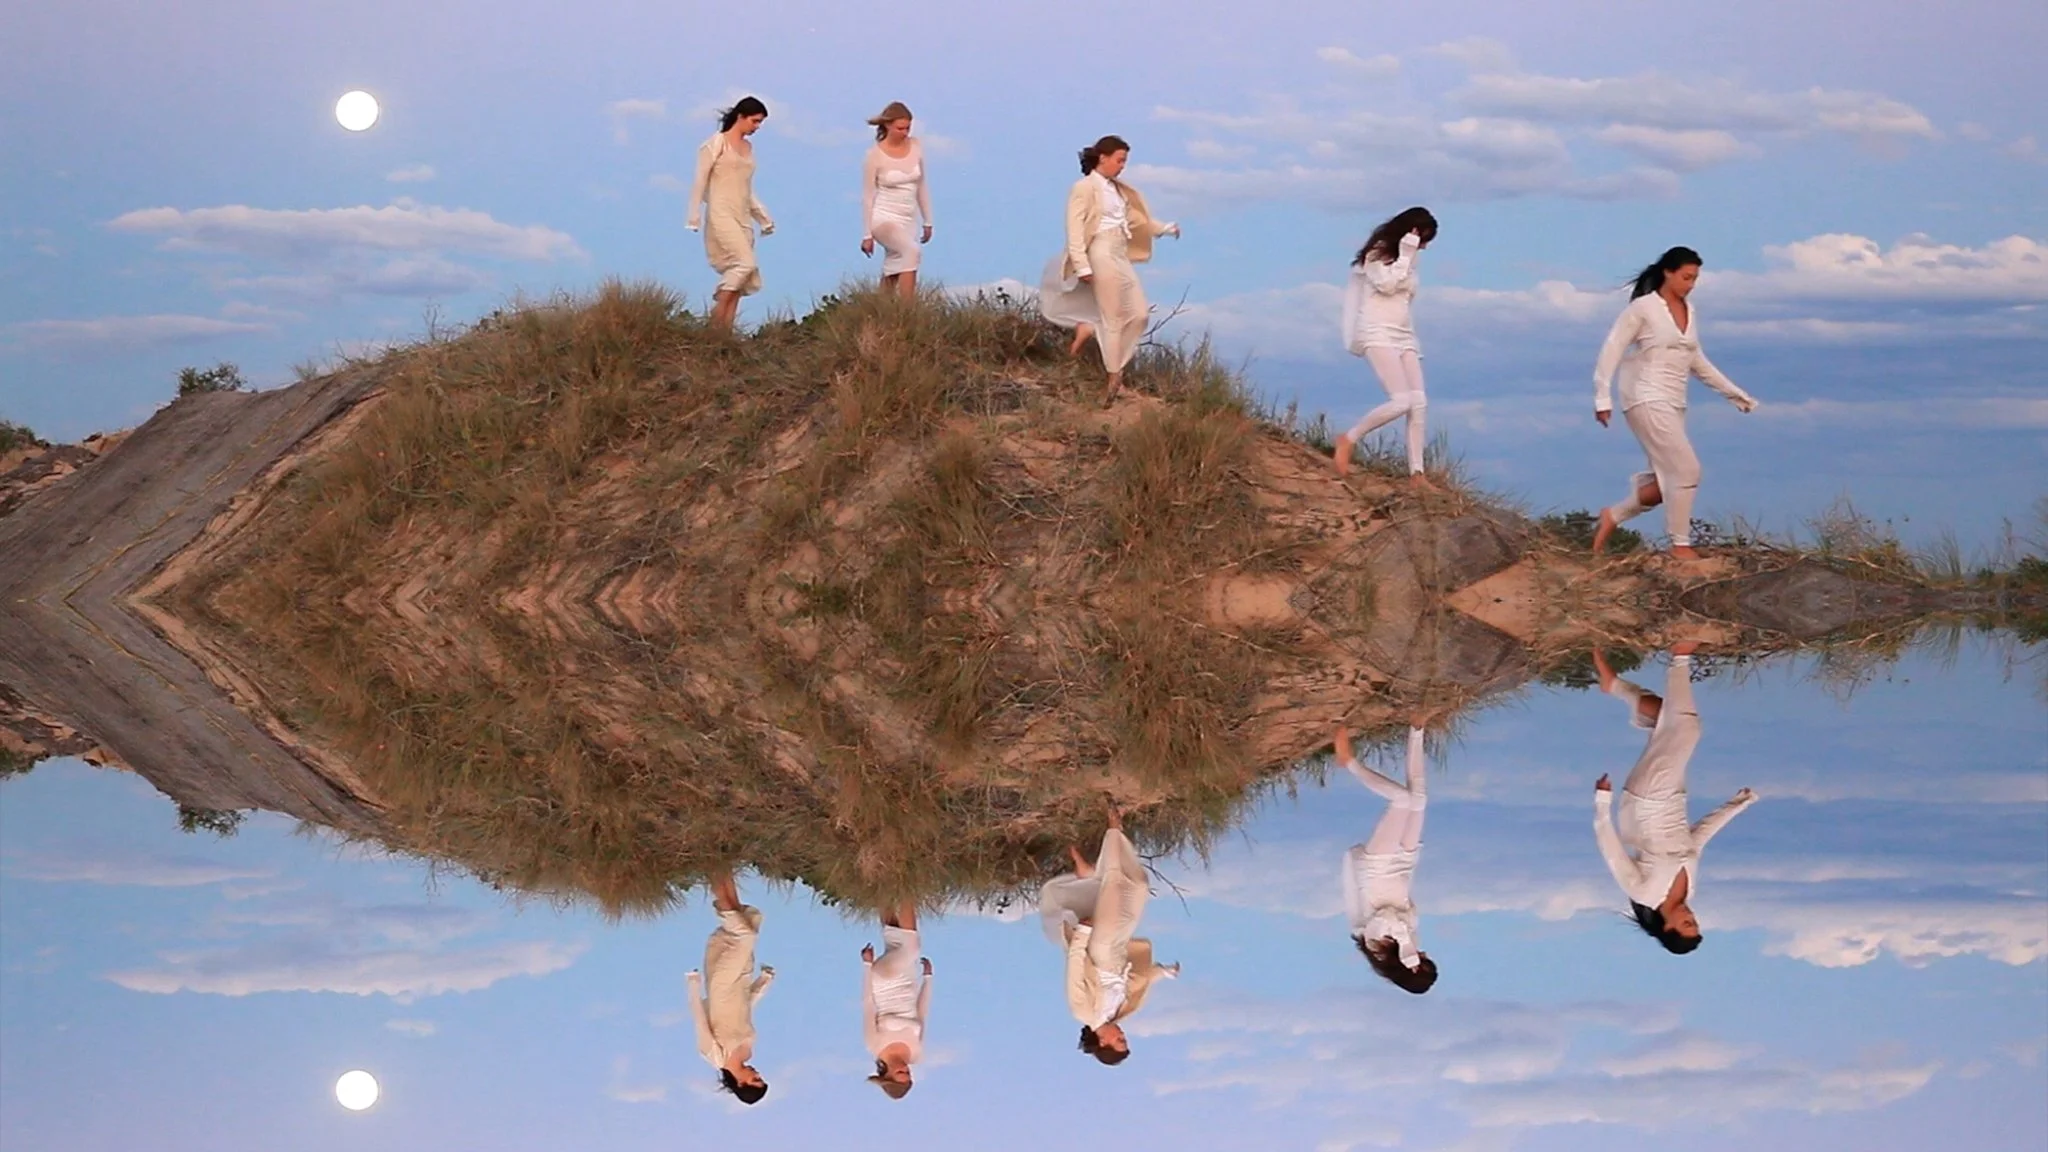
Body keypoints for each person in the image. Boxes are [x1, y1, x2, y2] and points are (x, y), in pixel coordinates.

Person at [1589, 246, 1759, 558]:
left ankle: (1612, 515)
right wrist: (1602, 398)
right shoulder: (1643, 308)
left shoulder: (1689, 311)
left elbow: (1696, 360)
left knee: (1661, 486)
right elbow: (1612, 349)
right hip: (1644, 396)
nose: (1690, 284)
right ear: (1668, 272)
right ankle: (1680, 546)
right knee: (1687, 470)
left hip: (1674, 402)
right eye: (1686, 277)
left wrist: (1736, 394)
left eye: (1695, 279)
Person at [1591, 643, 1759, 954]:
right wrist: (1739, 804)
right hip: (1673, 796)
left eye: (1686, 923)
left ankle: (1680, 654)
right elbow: (1698, 838)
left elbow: (1612, 852)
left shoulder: (1644, 893)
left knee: (1686, 729)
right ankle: (1614, 686)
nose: (1691, 917)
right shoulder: (1689, 890)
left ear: (1667, 927)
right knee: (1665, 720)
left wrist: (1602, 804)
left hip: (1647, 801)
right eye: (1695, 922)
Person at [1037, 135, 1182, 402]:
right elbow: (1074, 229)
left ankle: (1093, 335)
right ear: (1102, 158)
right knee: (1113, 317)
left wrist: (1165, 229)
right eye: (1119, 160)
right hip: (1100, 252)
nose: (1122, 166)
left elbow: (1138, 222)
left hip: (1120, 254)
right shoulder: (1084, 188)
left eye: (1124, 161)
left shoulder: (1118, 190)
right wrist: (1082, 266)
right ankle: (1115, 378)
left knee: (1139, 314)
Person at [1037, 809, 1181, 1065]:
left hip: (1101, 947)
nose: (1123, 1035)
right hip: (1119, 949)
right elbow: (1137, 981)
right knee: (1137, 887)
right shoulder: (1120, 1012)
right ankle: (1091, 872)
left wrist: (1082, 933)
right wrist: (1164, 972)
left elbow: (1075, 969)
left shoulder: (1083, 1011)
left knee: (1119, 886)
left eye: (1120, 1040)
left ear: (1103, 1042)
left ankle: (1114, 826)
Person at [1334, 208, 1439, 488]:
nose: (1424, 246)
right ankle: (1348, 439)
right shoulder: (1376, 254)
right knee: (1400, 401)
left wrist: (1409, 256)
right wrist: (1405, 255)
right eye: (1423, 239)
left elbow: (1405, 297)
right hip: (1376, 331)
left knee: (1419, 402)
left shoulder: (1412, 258)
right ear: (1410, 232)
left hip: (1404, 334)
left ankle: (1417, 474)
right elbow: (1387, 285)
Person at [1335, 723, 1437, 993]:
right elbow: (1404, 906)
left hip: (1377, 871)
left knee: (1401, 800)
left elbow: (1387, 915)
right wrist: (1408, 944)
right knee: (1418, 799)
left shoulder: (1375, 945)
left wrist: (1406, 948)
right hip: (1404, 867)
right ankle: (1417, 728)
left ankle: (1349, 762)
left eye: (1423, 959)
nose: (1423, 952)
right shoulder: (1410, 941)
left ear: (1412, 968)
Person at [686, 96, 775, 332]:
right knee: (745, 264)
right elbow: (700, 181)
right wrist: (693, 215)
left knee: (741, 277)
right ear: (740, 117)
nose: (757, 127)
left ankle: (724, 334)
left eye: (760, 123)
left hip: (743, 216)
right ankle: (714, 323)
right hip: (721, 213)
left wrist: (762, 217)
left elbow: (746, 188)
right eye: (754, 121)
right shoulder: (715, 144)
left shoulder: (748, 148)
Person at [687, 870, 775, 1103]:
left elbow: (699, 1020)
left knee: (745, 934)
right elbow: (746, 1008)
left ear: (741, 1083)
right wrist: (763, 982)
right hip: (742, 981)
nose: (758, 1074)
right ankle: (722, 866)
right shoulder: (748, 1051)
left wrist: (693, 984)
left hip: (722, 985)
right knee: (746, 920)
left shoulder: (716, 1057)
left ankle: (711, 866)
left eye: (756, 1079)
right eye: (761, 1078)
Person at [860, 102, 934, 300]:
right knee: (911, 252)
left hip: (908, 219)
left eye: (908, 128)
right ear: (887, 125)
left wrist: (928, 221)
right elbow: (868, 196)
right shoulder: (874, 155)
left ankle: (881, 310)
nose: (905, 133)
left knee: (894, 266)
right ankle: (908, 310)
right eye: (900, 128)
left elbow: (921, 185)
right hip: (883, 218)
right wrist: (867, 235)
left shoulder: (916, 146)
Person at [861, 901, 934, 1100]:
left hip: (884, 980)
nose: (905, 1068)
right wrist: (928, 979)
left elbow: (868, 1004)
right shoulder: (916, 1054)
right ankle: (882, 887)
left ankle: (906, 888)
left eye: (900, 1073)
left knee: (912, 947)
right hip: (909, 977)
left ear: (887, 1075)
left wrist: (867, 966)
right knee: (894, 936)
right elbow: (922, 1013)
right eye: (908, 1073)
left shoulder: (874, 1045)